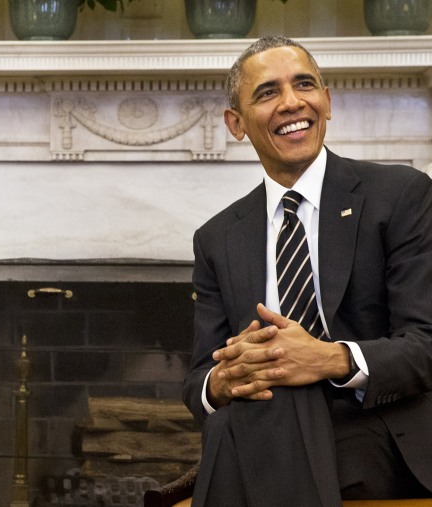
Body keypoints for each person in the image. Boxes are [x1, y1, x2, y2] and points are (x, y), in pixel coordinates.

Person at [182, 35, 432, 506]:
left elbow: (426, 346)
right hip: (269, 433)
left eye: (304, 85)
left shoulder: (400, 196)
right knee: (250, 403)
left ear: (327, 101)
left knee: (243, 420)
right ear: (236, 123)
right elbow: (200, 382)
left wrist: (325, 359)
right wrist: (226, 380)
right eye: (268, 92)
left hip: (377, 429)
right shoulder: (217, 238)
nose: (292, 102)